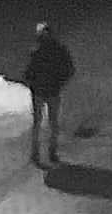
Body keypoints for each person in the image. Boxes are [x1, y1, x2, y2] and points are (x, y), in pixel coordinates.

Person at [20, 21, 75, 167]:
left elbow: (28, 73)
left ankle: (35, 152)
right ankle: (52, 151)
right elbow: (69, 69)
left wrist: (32, 84)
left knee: (37, 121)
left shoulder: (35, 52)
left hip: (38, 91)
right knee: (53, 122)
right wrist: (59, 83)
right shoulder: (61, 50)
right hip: (53, 91)